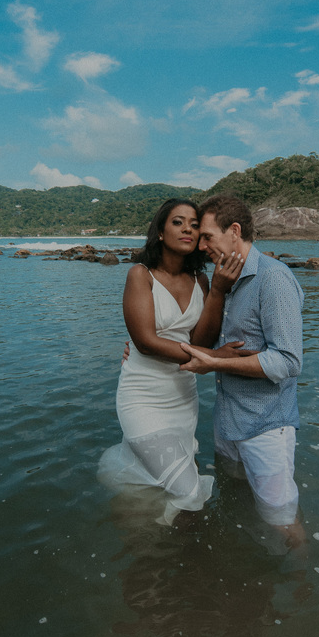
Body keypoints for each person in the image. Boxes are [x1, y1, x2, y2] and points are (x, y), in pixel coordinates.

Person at [98, 198, 243, 525]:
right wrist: (215, 358)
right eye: (178, 222)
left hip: (182, 396)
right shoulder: (140, 275)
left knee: (176, 478)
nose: (188, 229)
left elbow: (199, 341)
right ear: (160, 232)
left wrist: (218, 292)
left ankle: (166, 547)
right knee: (189, 493)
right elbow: (146, 343)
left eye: (194, 224)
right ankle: (165, 546)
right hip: (142, 396)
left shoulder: (202, 282)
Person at [178, 195, 306, 549]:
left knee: (281, 520)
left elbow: (288, 362)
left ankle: (299, 590)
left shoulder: (273, 280)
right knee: (238, 500)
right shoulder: (227, 278)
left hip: (265, 426)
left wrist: (216, 363)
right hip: (229, 421)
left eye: (207, 237)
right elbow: (202, 339)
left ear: (234, 231)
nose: (201, 246)